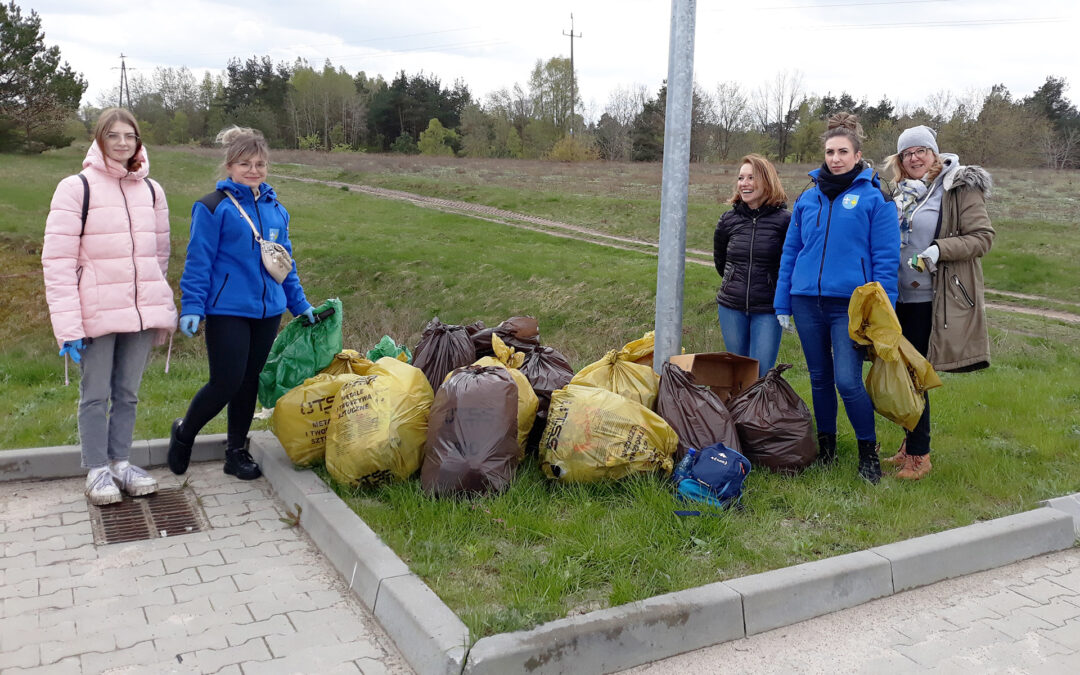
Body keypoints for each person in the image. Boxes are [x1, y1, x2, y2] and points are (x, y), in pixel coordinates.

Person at [42, 107, 177, 505]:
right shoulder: (75, 188)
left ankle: (121, 461)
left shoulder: (152, 191)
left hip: (139, 313)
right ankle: (97, 468)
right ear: (99, 139)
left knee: (128, 393)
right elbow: (58, 261)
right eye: (113, 135)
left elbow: (159, 255)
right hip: (95, 314)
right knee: (95, 393)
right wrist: (68, 327)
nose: (122, 143)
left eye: (129, 136)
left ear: (138, 141)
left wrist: (155, 303)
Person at [169, 126, 316, 481]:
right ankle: (185, 433)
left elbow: (284, 263)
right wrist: (192, 306)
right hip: (228, 310)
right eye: (245, 163)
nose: (253, 170)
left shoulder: (276, 209)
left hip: (268, 311)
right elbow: (199, 260)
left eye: (260, 164)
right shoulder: (212, 207)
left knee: (249, 381)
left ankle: (236, 452)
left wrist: (299, 304)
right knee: (226, 381)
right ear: (229, 166)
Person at [773, 113, 900, 484]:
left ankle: (868, 453)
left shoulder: (875, 199)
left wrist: (883, 311)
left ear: (858, 155)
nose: (835, 158)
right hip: (806, 301)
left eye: (843, 151)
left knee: (847, 380)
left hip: (850, 306)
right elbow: (791, 252)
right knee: (819, 379)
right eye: (830, 152)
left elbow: (886, 260)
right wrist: (783, 302)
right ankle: (826, 449)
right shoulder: (808, 198)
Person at [879, 125, 994, 480]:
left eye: (920, 151)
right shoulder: (901, 193)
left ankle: (920, 454)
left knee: (916, 373)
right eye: (906, 153)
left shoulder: (957, 187)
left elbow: (982, 238)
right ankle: (909, 443)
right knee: (902, 373)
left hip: (931, 296)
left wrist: (939, 250)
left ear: (934, 153)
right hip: (896, 295)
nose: (913, 158)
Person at [713, 154, 790, 378]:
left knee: (760, 374)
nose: (744, 183)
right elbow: (721, 262)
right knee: (736, 374)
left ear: (767, 181)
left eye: (751, 178)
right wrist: (733, 281)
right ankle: (735, 414)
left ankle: (757, 414)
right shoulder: (728, 220)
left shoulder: (785, 221)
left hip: (767, 309)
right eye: (741, 178)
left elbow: (789, 266)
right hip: (731, 307)